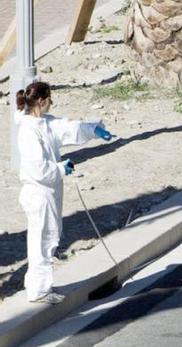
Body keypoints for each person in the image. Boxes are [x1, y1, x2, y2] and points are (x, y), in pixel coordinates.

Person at [15, 81, 113, 304]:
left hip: (49, 191)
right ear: (41, 101)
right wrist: (60, 168)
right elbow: (37, 168)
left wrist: (93, 130)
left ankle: (41, 285)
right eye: (49, 99)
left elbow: (67, 128)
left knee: (50, 235)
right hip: (39, 193)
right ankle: (38, 290)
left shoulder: (43, 123)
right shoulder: (29, 131)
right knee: (43, 239)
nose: (51, 103)